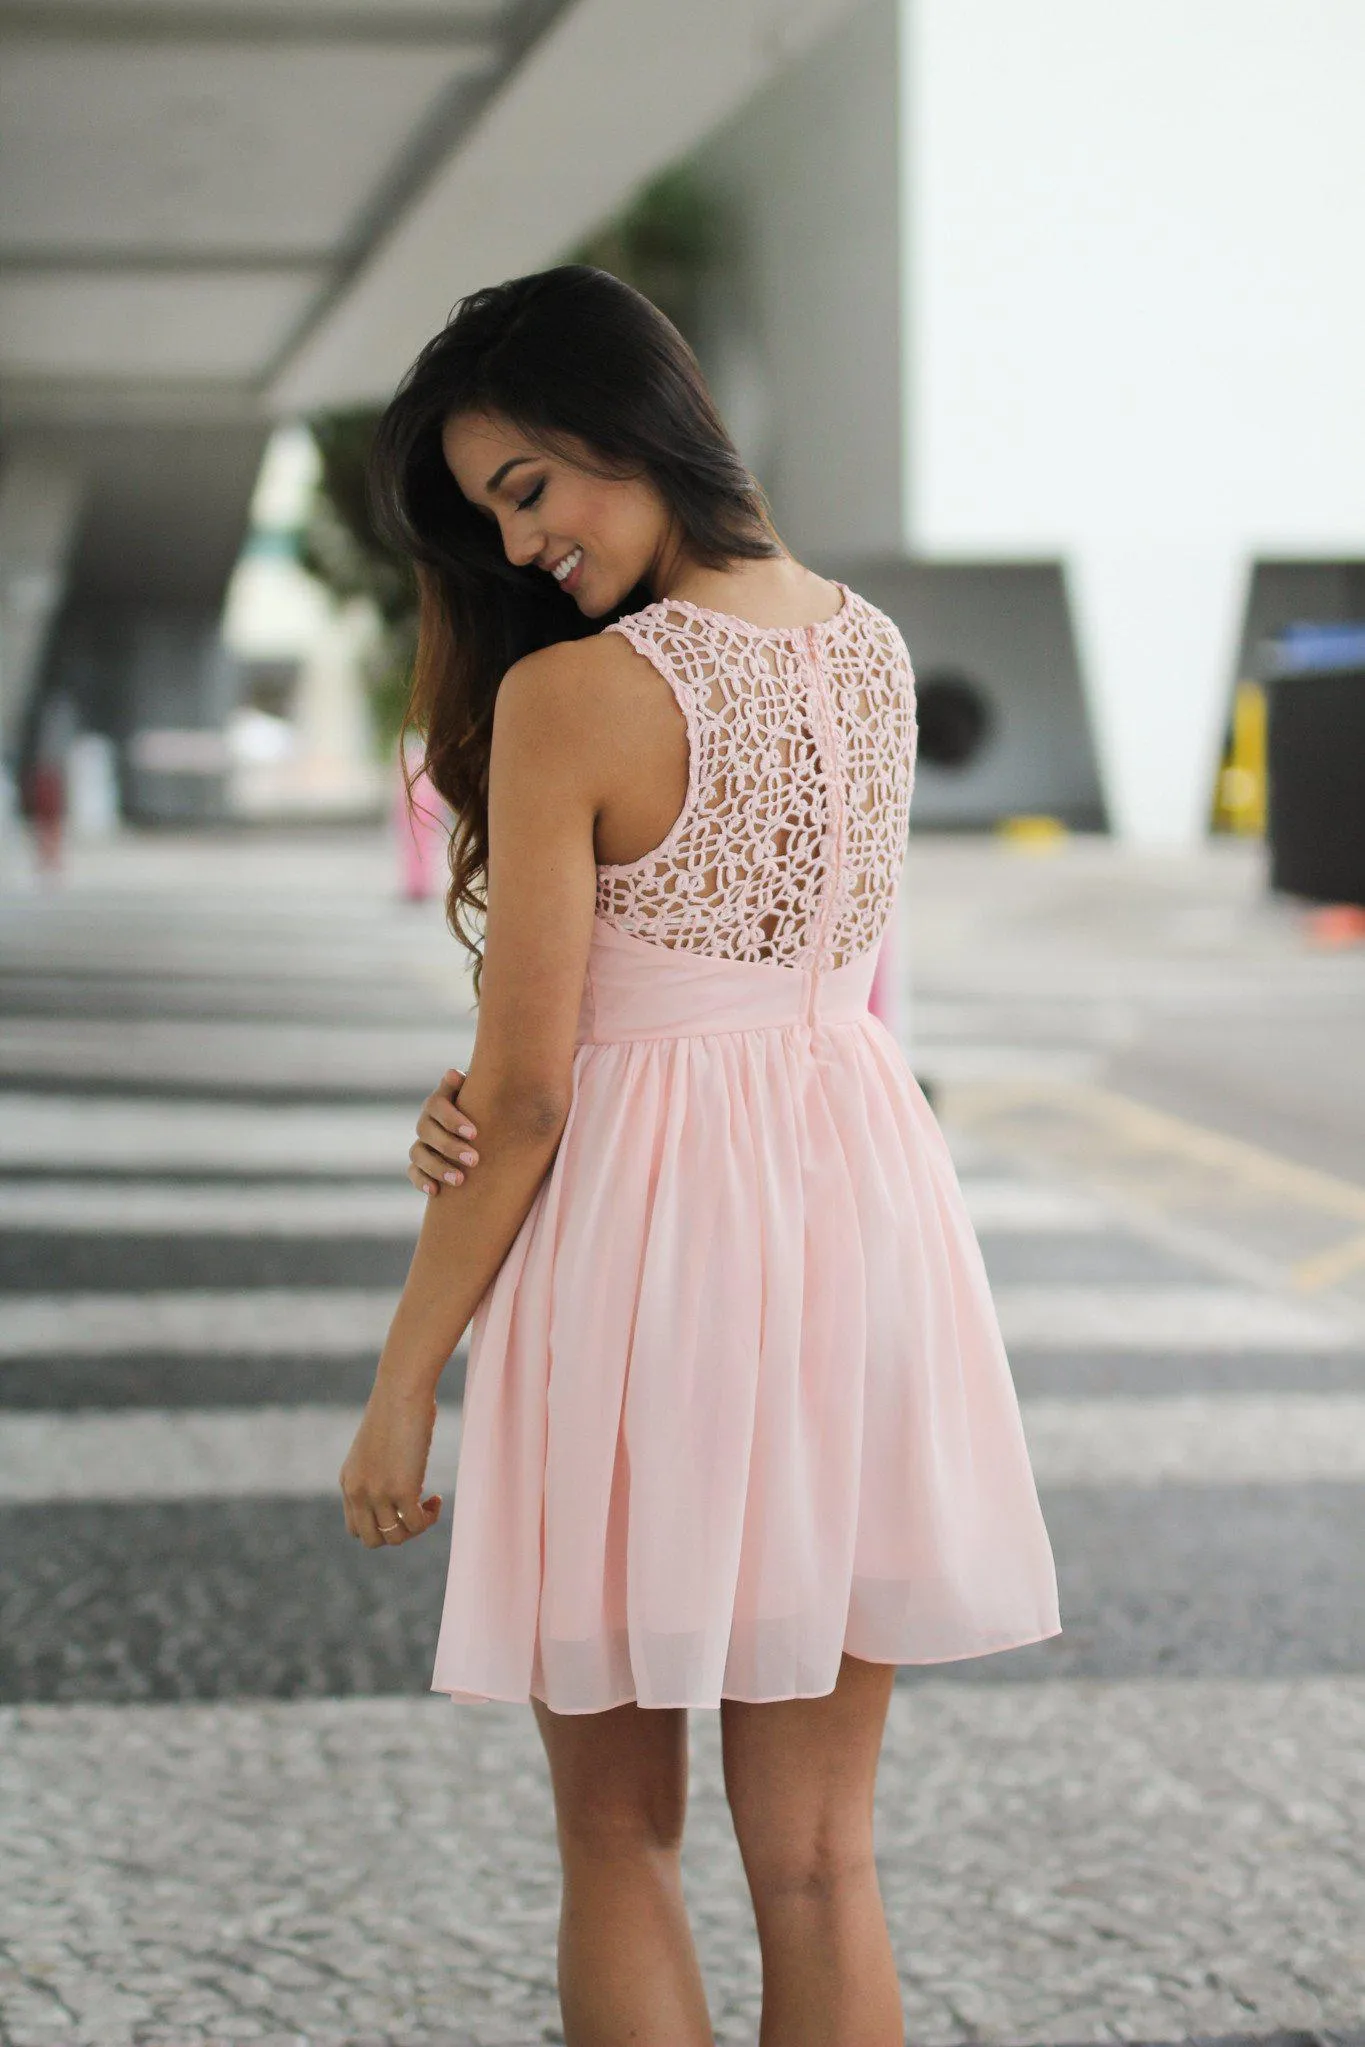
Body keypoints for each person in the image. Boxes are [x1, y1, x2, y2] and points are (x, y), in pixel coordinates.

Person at [338, 265, 1061, 2047]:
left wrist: (403, 1377)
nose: (518, 550)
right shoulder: (872, 648)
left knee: (616, 1837)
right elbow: (764, 982)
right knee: (823, 1862)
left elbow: (524, 1107)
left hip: (651, 1261)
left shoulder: (582, 699)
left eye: (529, 489)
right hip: (857, 1227)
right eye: (493, 513)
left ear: (628, 423)